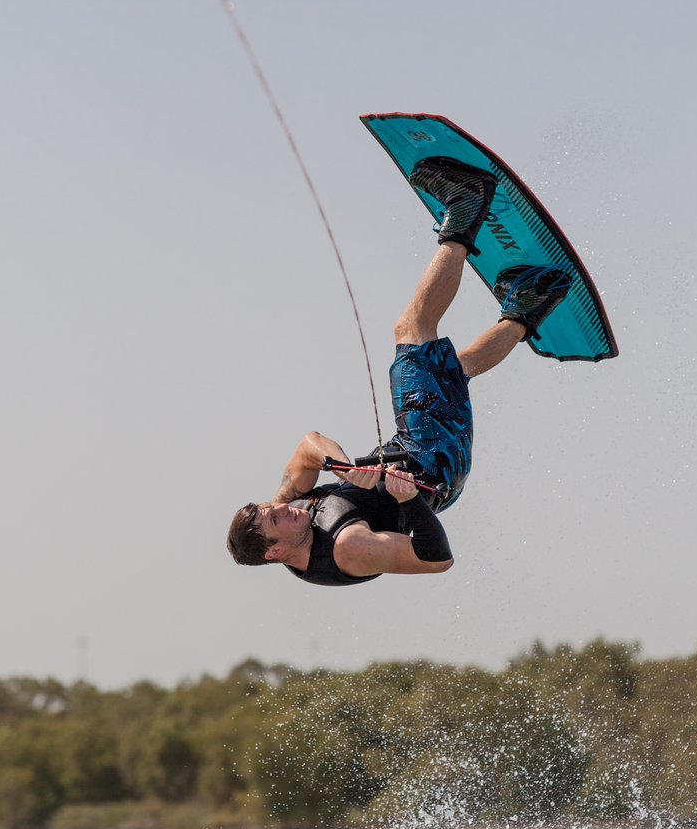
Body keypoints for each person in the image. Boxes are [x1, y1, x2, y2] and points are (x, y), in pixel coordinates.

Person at [227, 157, 571, 585]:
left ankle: (530, 303)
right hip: (425, 463)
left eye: (271, 507)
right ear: (276, 552)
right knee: (412, 332)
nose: (283, 509)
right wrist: (407, 501)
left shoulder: (288, 507)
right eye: (277, 520)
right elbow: (436, 561)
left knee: (451, 371)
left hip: (444, 474)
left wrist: (341, 468)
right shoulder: (348, 549)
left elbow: (308, 445)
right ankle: (466, 208)